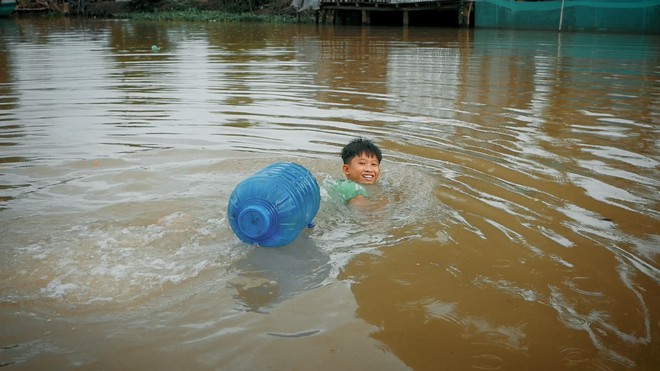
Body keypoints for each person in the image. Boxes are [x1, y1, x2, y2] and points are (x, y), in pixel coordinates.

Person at [334, 137, 383, 208]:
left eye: (374, 164)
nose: (369, 169)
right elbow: (362, 213)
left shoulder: (340, 184)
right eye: (362, 163)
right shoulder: (352, 188)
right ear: (346, 169)